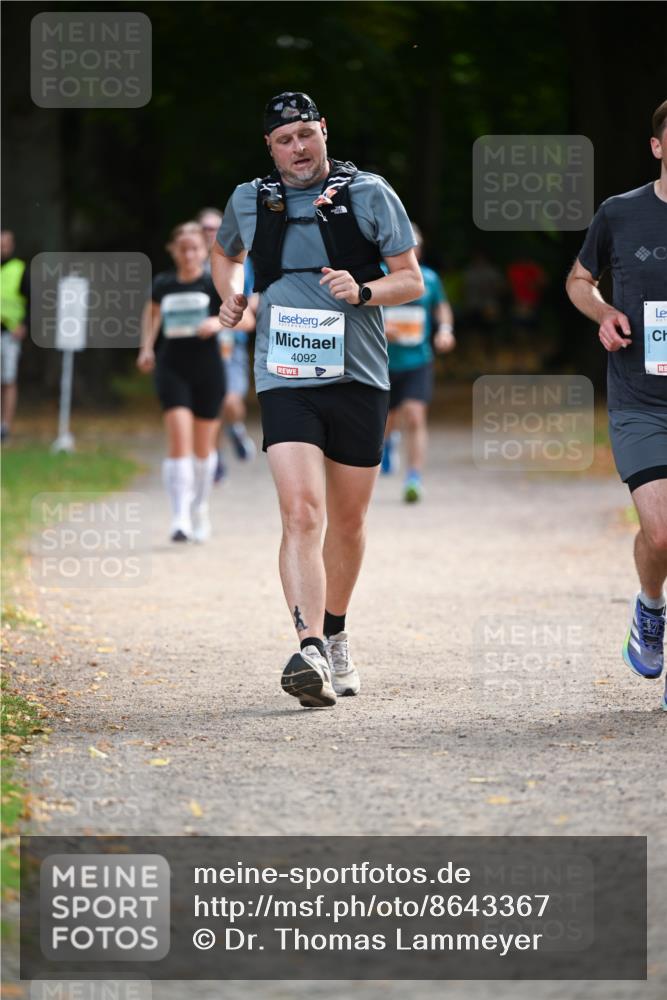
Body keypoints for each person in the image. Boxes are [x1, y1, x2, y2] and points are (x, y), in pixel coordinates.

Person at [211, 92, 423, 708]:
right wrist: (232, 294)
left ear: (324, 132)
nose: (298, 148)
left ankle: (335, 632)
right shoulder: (249, 200)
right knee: (303, 515)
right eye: (284, 139)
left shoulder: (369, 193)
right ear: (269, 148)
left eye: (306, 134)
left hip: (359, 376)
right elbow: (227, 254)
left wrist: (362, 290)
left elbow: (408, 278)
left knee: (349, 522)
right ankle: (307, 648)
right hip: (284, 377)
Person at [566, 99, 667, 711]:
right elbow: (579, 280)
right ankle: (651, 607)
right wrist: (603, 312)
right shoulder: (621, 213)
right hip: (641, 399)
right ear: (657, 146)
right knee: (660, 535)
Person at [137, 221, 225, 542]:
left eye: (195, 249)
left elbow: (246, 318)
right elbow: (151, 316)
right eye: (183, 249)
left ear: (204, 251)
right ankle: (179, 517)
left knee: (203, 451)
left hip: (208, 370)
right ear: (173, 251)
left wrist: (217, 322)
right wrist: (146, 348)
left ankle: (200, 508)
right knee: (178, 442)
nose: (189, 254)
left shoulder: (212, 283)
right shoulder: (163, 283)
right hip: (172, 367)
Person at [380, 223, 456, 501]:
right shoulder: (378, 274)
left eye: (415, 246)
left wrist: (445, 331)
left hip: (418, 361)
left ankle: (413, 477)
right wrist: (379, 328)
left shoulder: (429, 279)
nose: (411, 250)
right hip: (383, 362)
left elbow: (442, 307)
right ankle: (388, 442)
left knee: (414, 414)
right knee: (387, 420)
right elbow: (360, 309)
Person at [197, 207, 256, 479]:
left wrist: (241, 311)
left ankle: (236, 428)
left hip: (232, 342)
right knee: (211, 404)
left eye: (215, 228)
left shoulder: (240, 258)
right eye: (205, 228)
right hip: (201, 346)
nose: (210, 233)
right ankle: (216, 458)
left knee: (230, 401)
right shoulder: (192, 262)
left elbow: (255, 294)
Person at [1, 230, 29, 441]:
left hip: (9, 332)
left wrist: (25, 324)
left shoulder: (20, 269)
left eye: (5, 244)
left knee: (8, 379)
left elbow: (35, 300)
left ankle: (5, 427)